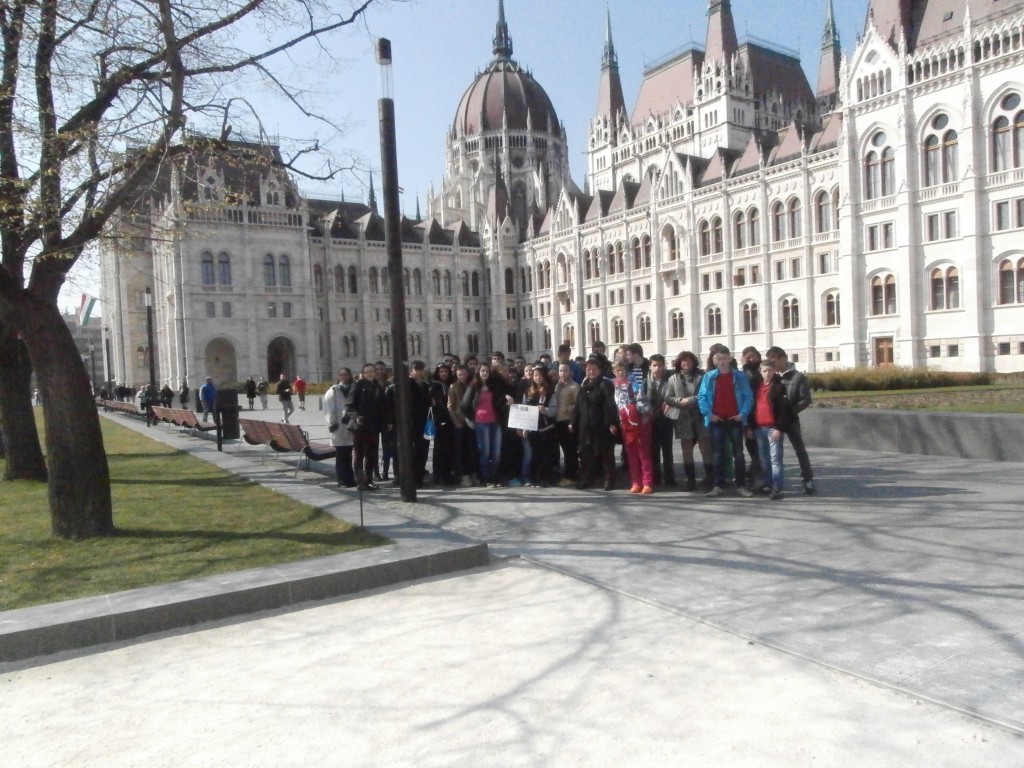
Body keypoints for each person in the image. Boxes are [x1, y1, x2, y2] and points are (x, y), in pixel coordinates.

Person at [697, 346, 754, 498]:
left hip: (735, 419)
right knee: (717, 454)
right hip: (717, 420)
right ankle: (718, 485)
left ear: (730, 359)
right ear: (715, 360)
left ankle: (741, 485)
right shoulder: (709, 377)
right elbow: (702, 397)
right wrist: (709, 415)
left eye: (724, 358)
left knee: (739, 454)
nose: (722, 362)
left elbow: (748, 396)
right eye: (719, 359)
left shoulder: (739, 376)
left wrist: (743, 414)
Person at [765, 346, 816, 494]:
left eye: (774, 361)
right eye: (770, 362)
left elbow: (806, 399)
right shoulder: (772, 376)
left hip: (791, 419)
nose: (772, 365)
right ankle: (772, 481)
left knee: (799, 449)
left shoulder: (797, 377)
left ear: (784, 359)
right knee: (774, 453)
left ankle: (807, 478)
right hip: (774, 421)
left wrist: (792, 411)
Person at [665, 351, 714, 491]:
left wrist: (691, 400)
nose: (685, 363)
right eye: (683, 361)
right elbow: (668, 397)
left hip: (700, 417)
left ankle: (710, 480)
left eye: (688, 361)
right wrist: (680, 401)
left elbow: (707, 394)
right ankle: (691, 480)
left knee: (705, 450)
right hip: (683, 419)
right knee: (686, 451)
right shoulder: (673, 378)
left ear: (693, 362)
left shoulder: (702, 377)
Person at [748, 360, 796, 500]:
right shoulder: (756, 387)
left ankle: (777, 488)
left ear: (774, 371)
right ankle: (767, 483)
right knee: (764, 460)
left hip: (773, 428)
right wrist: (750, 427)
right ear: (760, 371)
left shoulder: (779, 387)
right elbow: (752, 408)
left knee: (775, 459)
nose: (767, 373)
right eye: (764, 371)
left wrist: (778, 428)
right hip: (759, 428)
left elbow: (783, 410)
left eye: (769, 370)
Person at [570, 356, 618, 491]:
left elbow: (610, 405)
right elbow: (578, 406)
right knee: (586, 455)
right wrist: (573, 422)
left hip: (602, 426)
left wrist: (612, 423)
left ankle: (609, 480)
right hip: (586, 427)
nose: (591, 371)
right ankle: (586, 479)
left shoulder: (605, 384)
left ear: (599, 370)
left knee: (606, 454)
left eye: (594, 369)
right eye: (588, 369)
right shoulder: (584, 386)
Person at [461, 363, 513, 487]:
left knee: (496, 452)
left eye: (487, 371)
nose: (485, 373)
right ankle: (486, 478)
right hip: (481, 422)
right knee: (485, 451)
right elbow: (464, 405)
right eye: (482, 371)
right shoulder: (474, 386)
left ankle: (494, 476)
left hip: (495, 421)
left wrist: (506, 400)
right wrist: (472, 418)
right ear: (478, 372)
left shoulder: (493, 386)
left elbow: (499, 401)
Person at [612, 359, 654, 494]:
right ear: (614, 372)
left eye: (622, 369)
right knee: (631, 455)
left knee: (643, 454)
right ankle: (636, 482)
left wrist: (643, 415)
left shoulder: (633, 384)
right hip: (624, 423)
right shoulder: (615, 385)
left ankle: (647, 482)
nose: (620, 372)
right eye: (617, 370)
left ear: (626, 370)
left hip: (638, 422)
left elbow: (642, 400)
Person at [517, 364, 559, 487]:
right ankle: (534, 477)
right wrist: (524, 427)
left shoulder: (550, 392)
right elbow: (524, 409)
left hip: (546, 428)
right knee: (534, 454)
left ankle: (545, 478)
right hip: (532, 428)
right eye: (535, 375)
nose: (537, 378)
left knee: (546, 454)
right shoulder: (528, 391)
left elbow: (554, 410)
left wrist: (545, 410)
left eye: (540, 375)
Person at [347, 362, 387, 491]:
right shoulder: (358, 385)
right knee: (359, 455)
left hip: (373, 427)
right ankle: (360, 482)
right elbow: (349, 405)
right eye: (367, 372)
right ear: (363, 374)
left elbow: (382, 408)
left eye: (372, 371)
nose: (370, 374)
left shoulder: (378, 387)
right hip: (360, 426)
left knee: (372, 455)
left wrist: (386, 422)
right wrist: (356, 416)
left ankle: (368, 480)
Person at [645, 354, 676, 487]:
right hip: (652, 419)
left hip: (666, 417)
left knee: (667, 450)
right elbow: (642, 399)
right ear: (650, 366)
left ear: (664, 366)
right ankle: (656, 477)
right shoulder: (646, 381)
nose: (657, 368)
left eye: (660, 365)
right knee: (654, 450)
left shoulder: (670, 379)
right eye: (654, 365)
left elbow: (675, 394)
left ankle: (670, 478)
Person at [323, 368, 356, 488]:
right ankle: (342, 479)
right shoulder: (333, 390)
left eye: (346, 375)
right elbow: (328, 409)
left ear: (349, 375)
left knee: (348, 454)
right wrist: (332, 424)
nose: (343, 377)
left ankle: (349, 479)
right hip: (338, 427)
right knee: (341, 455)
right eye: (341, 375)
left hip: (350, 426)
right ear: (338, 377)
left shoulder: (353, 388)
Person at [448, 364, 477, 486]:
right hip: (459, 422)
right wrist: (456, 422)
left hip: (472, 421)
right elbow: (450, 406)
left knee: (472, 450)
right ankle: (464, 476)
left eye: (464, 374)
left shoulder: (472, 385)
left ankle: (473, 474)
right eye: (460, 374)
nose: (462, 376)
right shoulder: (453, 387)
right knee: (461, 451)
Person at [740, 347, 764, 488]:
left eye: (753, 356)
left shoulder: (761, 372)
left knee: (758, 449)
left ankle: (754, 475)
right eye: (747, 357)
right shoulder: (743, 374)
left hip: (758, 415)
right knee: (752, 447)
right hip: (748, 415)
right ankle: (753, 474)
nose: (750, 359)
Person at [554, 362, 580, 485]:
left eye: (565, 371)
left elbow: (578, 405)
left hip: (568, 421)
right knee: (563, 449)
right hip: (558, 421)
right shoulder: (557, 386)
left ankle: (572, 475)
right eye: (560, 371)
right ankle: (566, 473)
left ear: (570, 372)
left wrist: (567, 409)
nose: (562, 373)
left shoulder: (574, 386)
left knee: (570, 450)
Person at [429, 363, 456, 486]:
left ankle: (447, 474)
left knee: (450, 448)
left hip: (451, 419)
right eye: (441, 372)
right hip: (439, 419)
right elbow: (433, 404)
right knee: (439, 448)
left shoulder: (451, 384)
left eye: (446, 371)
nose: (444, 374)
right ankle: (438, 475)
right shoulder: (434, 385)